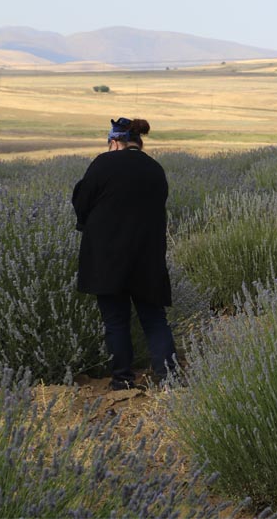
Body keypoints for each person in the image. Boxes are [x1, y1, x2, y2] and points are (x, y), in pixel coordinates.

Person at [72, 117, 178, 391]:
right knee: (154, 319)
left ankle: (122, 380)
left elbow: (82, 203)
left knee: (115, 321)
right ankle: (169, 380)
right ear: (138, 142)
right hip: (147, 258)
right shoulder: (155, 169)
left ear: (114, 142)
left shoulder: (103, 163)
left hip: (107, 259)